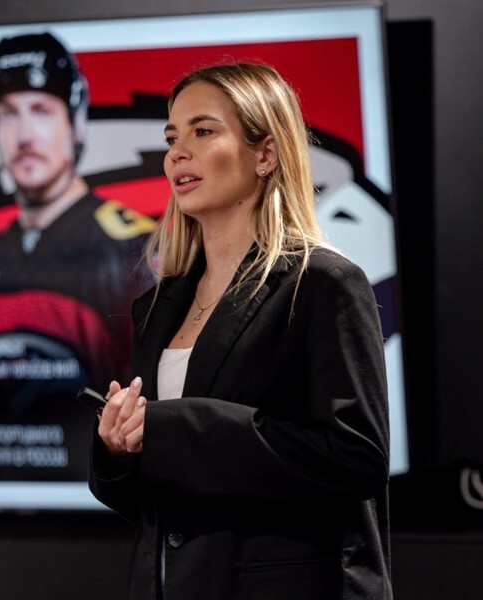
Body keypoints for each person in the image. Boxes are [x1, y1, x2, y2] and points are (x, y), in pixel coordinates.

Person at [89, 62, 392, 599]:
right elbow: (165, 502)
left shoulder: (324, 284)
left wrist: (174, 430)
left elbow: (355, 459)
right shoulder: (156, 308)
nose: (177, 153)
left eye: (203, 132)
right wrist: (120, 451)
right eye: (172, 138)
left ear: (266, 153)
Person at [0, 32, 154, 424]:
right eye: (7, 114)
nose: (25, 136)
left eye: (41, 110)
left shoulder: (135, 249)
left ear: (75, 123)